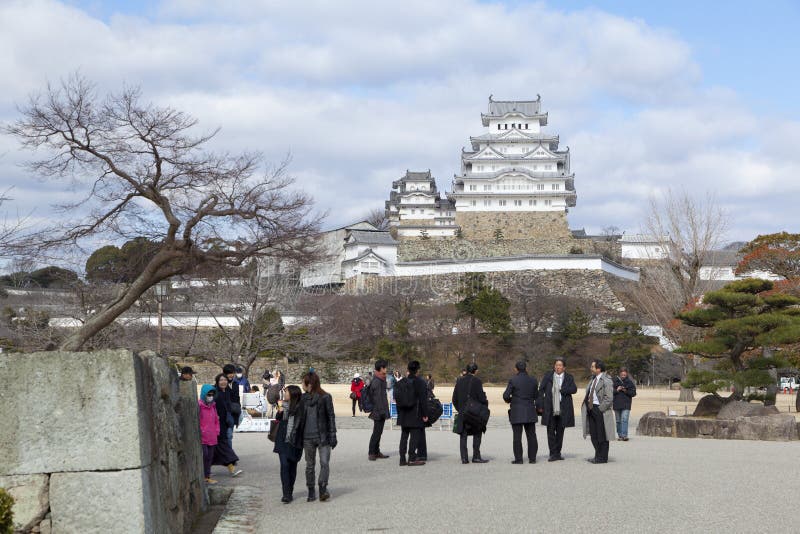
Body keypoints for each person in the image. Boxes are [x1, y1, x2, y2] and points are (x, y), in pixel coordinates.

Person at [291, 372, 337, 502]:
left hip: (323, 436)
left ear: (309, 384)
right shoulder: (303, 399)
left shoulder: (325, 397)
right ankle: (311, 490)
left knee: (324, 463)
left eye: (303, 382)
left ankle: (322, 488)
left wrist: (333, 435)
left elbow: (331, 417)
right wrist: (294, 433)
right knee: (310, 465)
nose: (302, 385)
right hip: (307, 437)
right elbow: (298, 417)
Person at [538, 358, 577, 461]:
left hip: (563, 408)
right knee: (550, 431)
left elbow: (574, 389)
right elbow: (541, 390)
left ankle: (558, 453)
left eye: (560, 365)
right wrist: (540, 405)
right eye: (556, 365)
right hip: (550, 408)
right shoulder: (548, 376)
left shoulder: (569, 377)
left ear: (564, 367)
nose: (558, 367)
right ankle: (552, 453)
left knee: (560, 432)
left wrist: (562, 389)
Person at [503, 360, 539, 464]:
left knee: (517, 436)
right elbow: (536, 395)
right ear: (526, 368)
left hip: (517, 410)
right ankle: (532, 458)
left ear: (516, 369)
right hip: (530, 409)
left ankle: (519, 459)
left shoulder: (513, 380)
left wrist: (511, 400)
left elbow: (506, 395)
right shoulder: (533, 380)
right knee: (532, 436)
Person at [452, 363, 489, 464]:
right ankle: (476, 456)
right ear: (475, 371)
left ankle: (464, 458)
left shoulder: (459, 381)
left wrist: (460, 409)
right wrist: (484, 406)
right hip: (473, 413)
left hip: (462, 412)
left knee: (463, 435)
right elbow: (481, 398)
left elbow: (454, 398)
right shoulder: (477, 381)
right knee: (477, 432)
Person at [273, 385, 304, 503]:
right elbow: (278, 418)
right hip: (282, 438)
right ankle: (286, 493)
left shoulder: (300, 407)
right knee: (284, 465)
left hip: (295, 439)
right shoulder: (282, 405)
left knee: (292, 466)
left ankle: (290, 489)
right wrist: (280, 410)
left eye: (286, 392)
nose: (284, 394)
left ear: (293, 394)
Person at [582, 359, 615, 464]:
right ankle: (597, 455)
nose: (591, 368)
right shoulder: (593, 379)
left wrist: (600, 409)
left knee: (602, 435)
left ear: (598, 368)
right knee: (594, 434)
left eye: (592, 367)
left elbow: (609, 398)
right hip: (591, 409)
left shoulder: (607, 380)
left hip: (600, 410)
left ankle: (603, 457)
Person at [397, 360, 429, 466]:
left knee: (404, 437)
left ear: (408, 370)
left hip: (403, 414)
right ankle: (412, 457)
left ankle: (402, 458)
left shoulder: (401, 382)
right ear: (418, 370)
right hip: (415, 414)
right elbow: (423, 400)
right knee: (414, 437)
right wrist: (425, 415)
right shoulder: (420, 382)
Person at [211, 374, 243, 476]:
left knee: (216, 448)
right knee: (222, 446)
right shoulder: (215, 393)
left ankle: (206, 471)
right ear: (217, 381)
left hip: (224, 423)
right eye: (221, 380)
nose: (223, 382)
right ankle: (231, 468)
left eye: (225, 380)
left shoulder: (227, 392)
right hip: (215, 424)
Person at [366, 359, 390, 461]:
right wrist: (382, 412)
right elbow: (378, 398)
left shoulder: (381, 379)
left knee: (378, 432)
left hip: (381, 409)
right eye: (385, 367)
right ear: (381, 369)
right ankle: (372, 452)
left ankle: (376, 451)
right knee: (376, 432)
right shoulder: (377, 381)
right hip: (378, 410)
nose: (386, 369)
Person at [198, 384, 220, 484]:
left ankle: (207, 476)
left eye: (212, 394)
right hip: (202, 437)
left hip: (212, 436)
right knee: (204, 456)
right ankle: (201, 475)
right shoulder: (199, 406)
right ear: (204, 394)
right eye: (208, 394)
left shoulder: (213, 407)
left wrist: (217, 431)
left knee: (210, 457)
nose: (210, 396)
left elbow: (216, 420)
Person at [613, 367, 637, 441]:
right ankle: (620, 435)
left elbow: (633, 393)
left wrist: (625, 390)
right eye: (622, 374)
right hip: (616, 403)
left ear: (626, 374)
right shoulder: (614, 381)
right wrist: (617, 390)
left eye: (624, 374)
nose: (623, 375)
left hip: (626, 404)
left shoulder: (630, 382)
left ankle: (624, 435)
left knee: (624, 419)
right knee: (618, 420)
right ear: (619, 374)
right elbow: (609, 392)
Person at [222, 364, 242, 431]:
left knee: (229, 435)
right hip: (223, 413)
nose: (231, 375)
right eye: (229, 373)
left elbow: (237, 400)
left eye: (232, 373)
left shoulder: (235, 384)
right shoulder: (220, 384)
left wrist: (237, 418)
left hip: (233, 412)